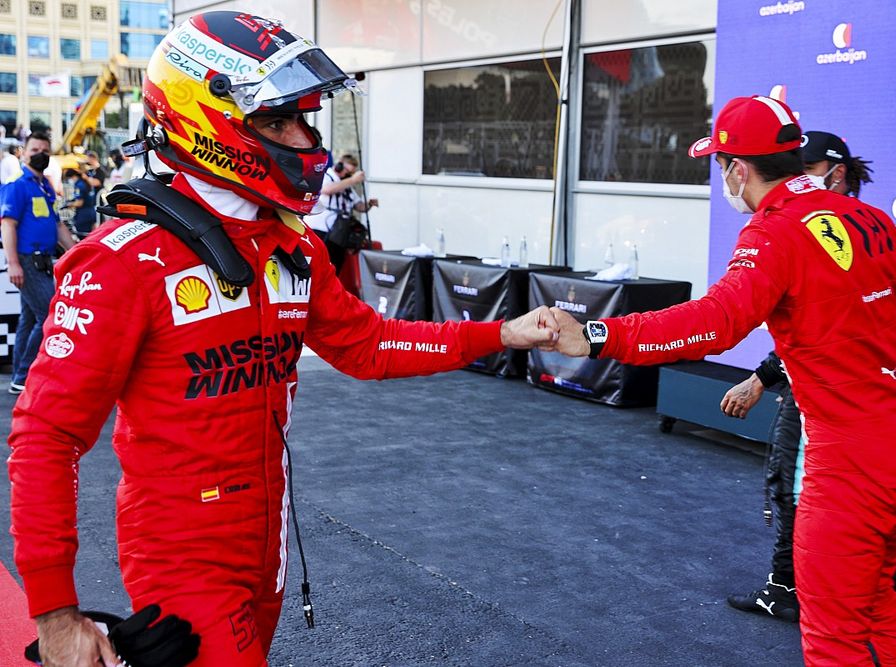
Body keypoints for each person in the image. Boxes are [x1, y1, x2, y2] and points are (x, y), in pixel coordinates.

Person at [7, 12, 559, 667]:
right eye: (277, 122)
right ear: (207, 121)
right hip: (183, 555)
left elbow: (369, 345)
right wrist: (56, 612)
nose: (303, 138)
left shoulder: (292, 247)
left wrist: (500, 330)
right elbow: (47, 434)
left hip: (267, 545)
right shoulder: (123, 260)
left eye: (303, 118)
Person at [549, 95, 896, 666]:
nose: (723, 181)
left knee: (833, 634)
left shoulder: (774, 231)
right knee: (876, 601)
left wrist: (594, 336)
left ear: (738, 169)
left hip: (852, 456)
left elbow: (712, 326)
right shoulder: (867, 215)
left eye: (719, 167)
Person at [722, 130, 896, 626]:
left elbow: (730, 320)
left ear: (834, 172)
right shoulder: (840, 224)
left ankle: (864, 596)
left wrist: (602, 336)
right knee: (806, 493)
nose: (795, 179)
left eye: (805, 168)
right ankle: (855, 591)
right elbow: (809, 325)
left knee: (805, 495)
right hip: (851, 402)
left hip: (842, 408)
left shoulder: (845, 225)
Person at [0, 132, 76, 394]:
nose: (40, 153)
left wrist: (77, 252)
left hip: (42, 261)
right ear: (24, 151)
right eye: (35, 149)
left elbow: (57, 225)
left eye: (45, 149)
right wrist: (13, 263)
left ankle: (20, 375)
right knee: (50, 314)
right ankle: (25, 374)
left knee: (29, 319)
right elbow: (8, 225)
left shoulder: (44, 187)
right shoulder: (17, 184)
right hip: (27, 261)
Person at [62, 167, 97, 237]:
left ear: (73, 176)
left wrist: (68, 205)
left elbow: (79, 203)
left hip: (83, 215)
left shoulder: (79, 185)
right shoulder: (85, 182)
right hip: (92, 212)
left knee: (82, 236)